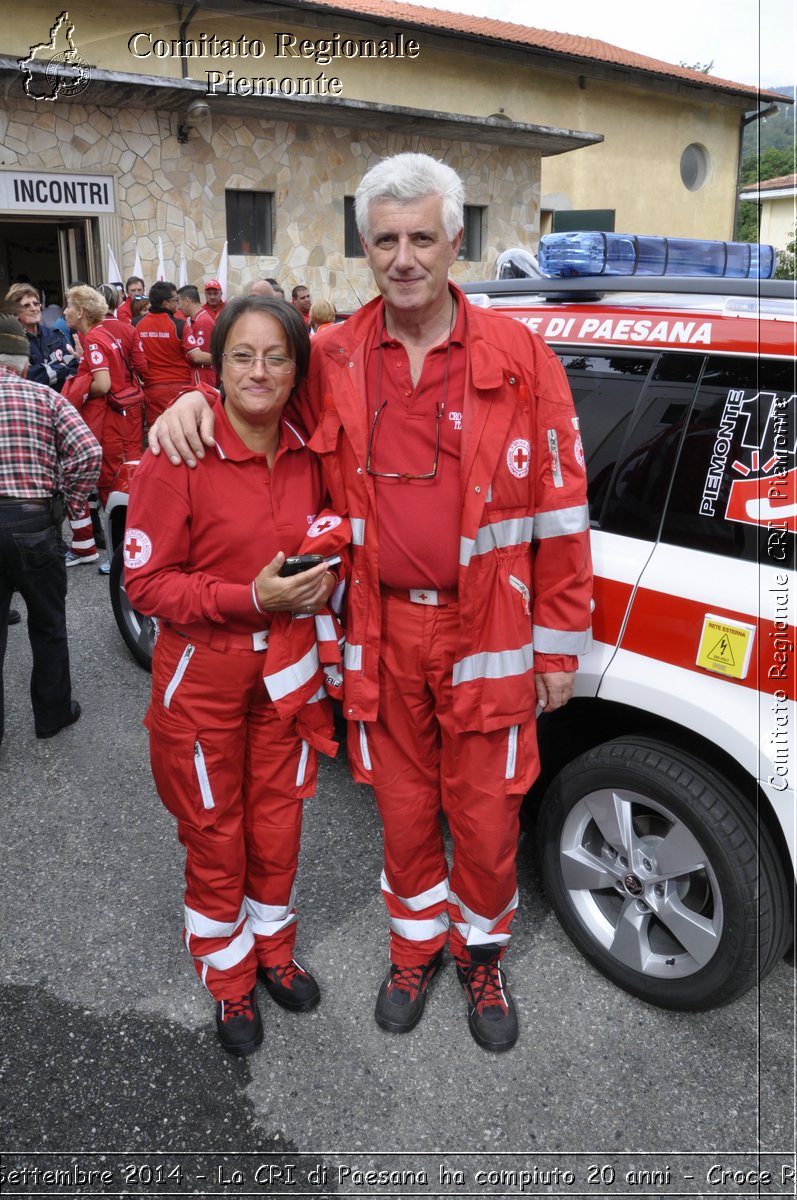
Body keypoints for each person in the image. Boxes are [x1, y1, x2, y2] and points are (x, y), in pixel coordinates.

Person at [149, 152, 592, 1054]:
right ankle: (412, 947)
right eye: (385, 240)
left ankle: (480, 953)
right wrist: (188, 404)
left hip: (491, 631)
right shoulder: (336, 354)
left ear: (454, 240)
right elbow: (256, 393)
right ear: (365, 248)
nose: (403, 257)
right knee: (399, 808)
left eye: (421, 236)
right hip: (380, 630)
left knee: (485, 812)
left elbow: (561, 507)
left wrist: (556, 647)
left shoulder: (522, 357)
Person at [126, 295, 348, 1057]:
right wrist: (248, 598)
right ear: (213, 368)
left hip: (286, 675)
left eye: (276, 356)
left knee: (278, 824)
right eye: (241, 356)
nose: (260, 371)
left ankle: (274, 953)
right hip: (202, 682)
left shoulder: (309, 449)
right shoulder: (177, 452)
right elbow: (146, 585)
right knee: (216, 834)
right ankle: (227, 977)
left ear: (297, 368)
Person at [0, 312, 101, 745]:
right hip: (33, 522)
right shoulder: (45, 397)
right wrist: (68, 498)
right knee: (47, 622)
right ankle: (53, 713)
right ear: (23, 363)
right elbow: (88, 453)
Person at [61, 286, 145, 565]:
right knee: (118, 481)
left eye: (68, 306)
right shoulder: (104, 334)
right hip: (120, 416)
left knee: (109, 484)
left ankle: (120, 555)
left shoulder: (95, 338)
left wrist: (77, 385)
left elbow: (104, 384)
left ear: (80, 312)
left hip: (109, 420)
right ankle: (122, 551)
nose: (64, 312)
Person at [134, 282, 193, 427]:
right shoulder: (180, 325)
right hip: (180, 387)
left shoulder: (136, 324)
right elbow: (195, 355)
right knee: (182, 432)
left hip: (152, 389)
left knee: (158, 434)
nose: (178, 304)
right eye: (175, 300)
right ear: (166, 303)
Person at [4, 283, 77, 393]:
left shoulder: (56, 335)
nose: (33, 308)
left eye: (36, 303)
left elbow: (74, 370)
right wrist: (61, 368)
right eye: (26, 306)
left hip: (61, 401)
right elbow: (29, 378)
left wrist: (44, 372)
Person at [177, 285, 217, 388]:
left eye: (179, 302)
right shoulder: (198, 319)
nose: (179, 307)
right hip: (200, 373)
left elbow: (200, 357)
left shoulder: (202, 321)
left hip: (202, 374)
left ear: (186, 301)